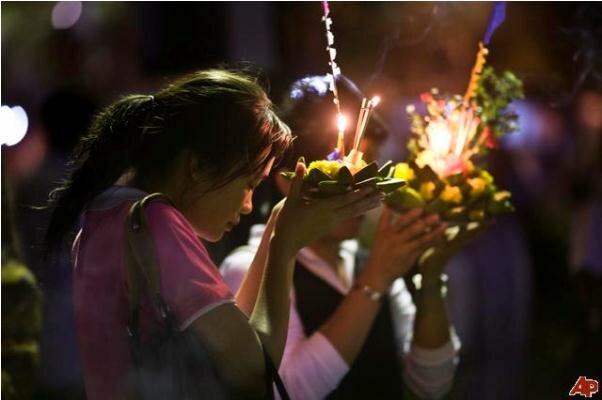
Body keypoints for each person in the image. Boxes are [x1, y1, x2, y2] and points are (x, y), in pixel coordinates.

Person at [42, 69, 382, 400]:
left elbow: (236, 335)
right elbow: (254, 372)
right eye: (248, 184)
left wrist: (278, 228)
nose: (249, 205)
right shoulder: (154, 222)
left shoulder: (107, 216)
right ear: (197, 167)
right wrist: (285, 248)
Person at [221, 76, 462, 399]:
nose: (362, 192)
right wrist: (373, 283)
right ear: (289, 183)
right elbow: (286, 389)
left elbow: (432, 384)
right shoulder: (249, 268)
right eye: (344, 175)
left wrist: (431, 277)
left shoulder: (364, 260)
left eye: (368, 174)